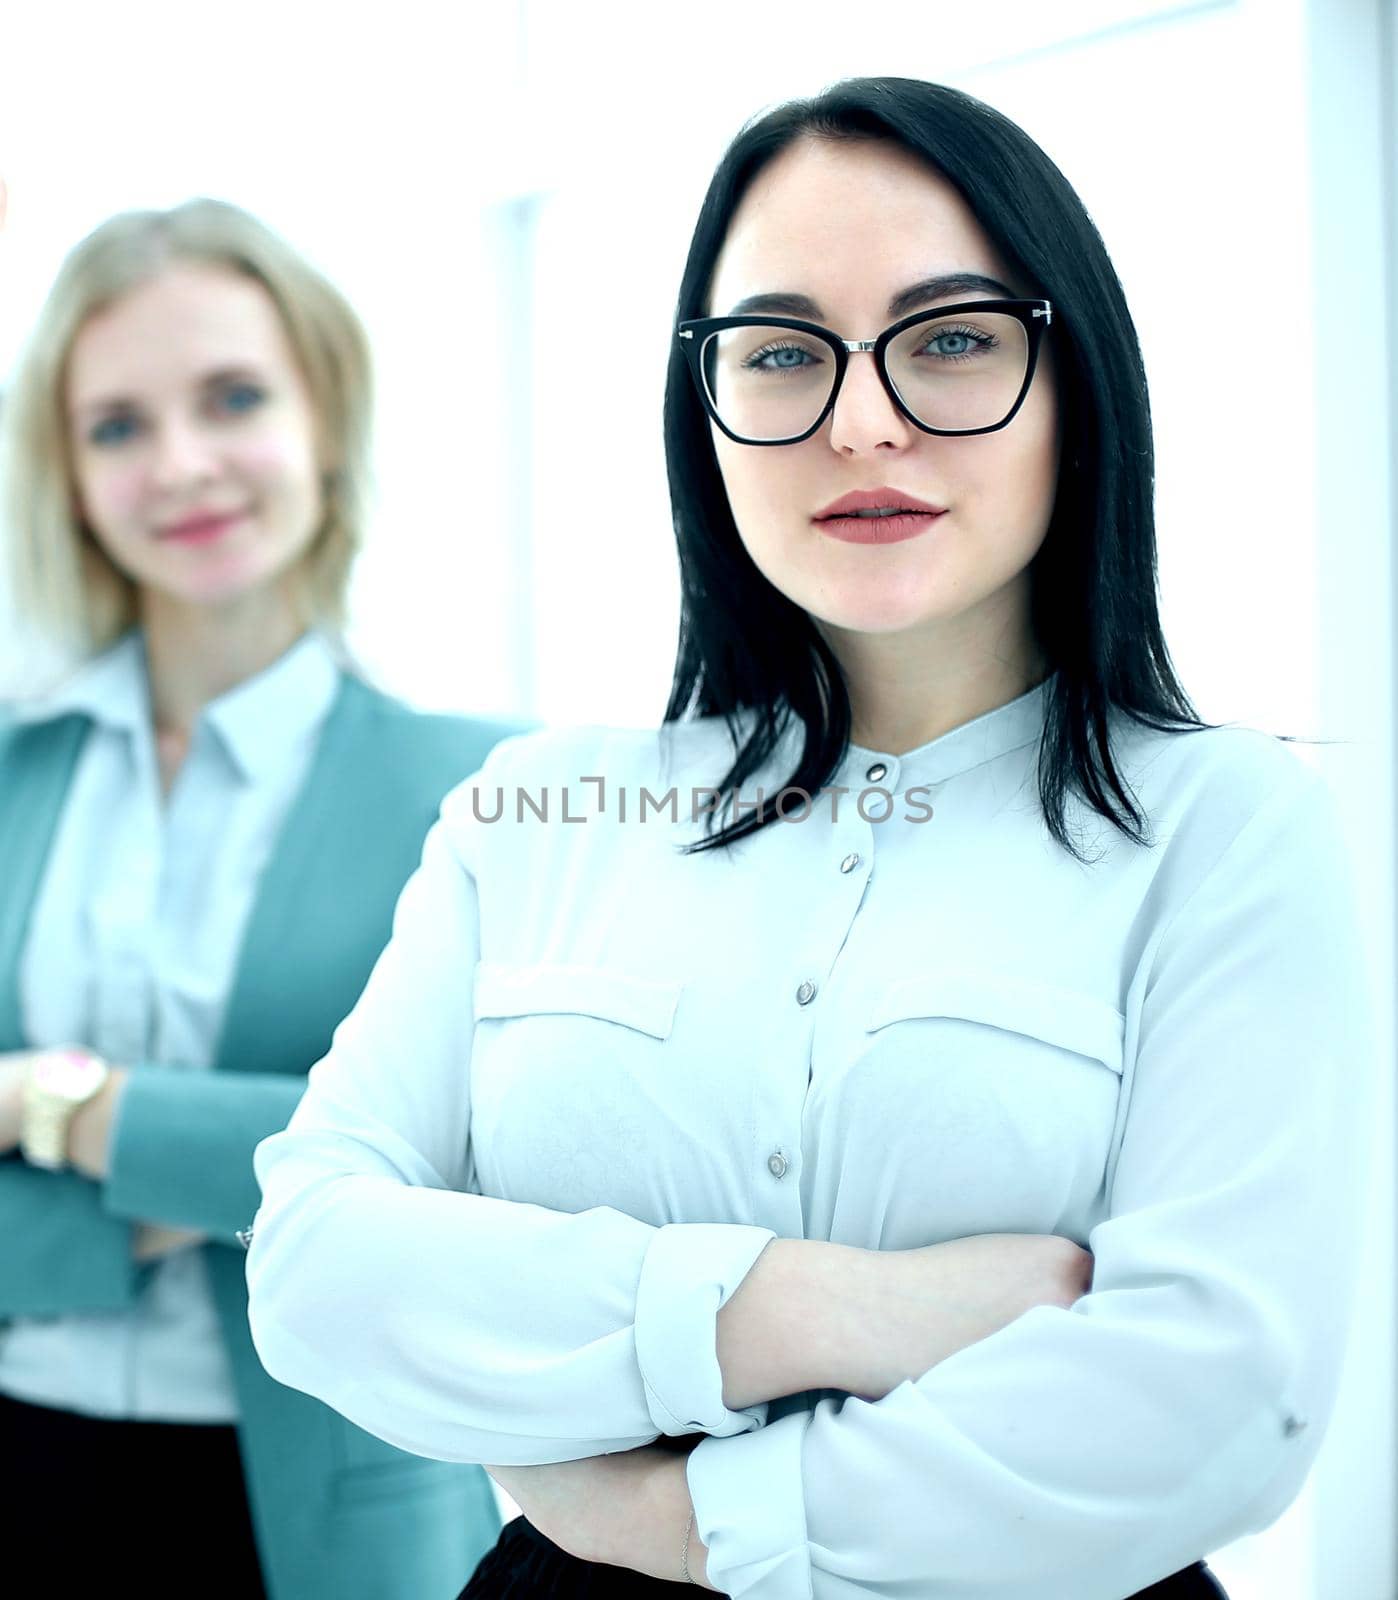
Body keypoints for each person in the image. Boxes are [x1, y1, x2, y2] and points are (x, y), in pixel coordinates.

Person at [244, 78, 1375, 1600]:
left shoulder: (1222, 829)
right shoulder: (536, 815)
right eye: (781, 354)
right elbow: (314, 1268)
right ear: (701, 407)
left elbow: (1220, 1405)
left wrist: (686, 1525)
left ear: (1074, 379)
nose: (859, 421)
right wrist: (816, 1311)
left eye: (951, 340)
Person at [0, 197, 519, 1598]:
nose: (182, 465)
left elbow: (473, 1168)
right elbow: (343, 1161)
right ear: (66, 474)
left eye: (231, 398)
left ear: (325, 417)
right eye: (116, 426)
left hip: (322, 1515)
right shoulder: (6, 773)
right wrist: (245, 1175)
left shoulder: (478, 791)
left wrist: (57, 1114)